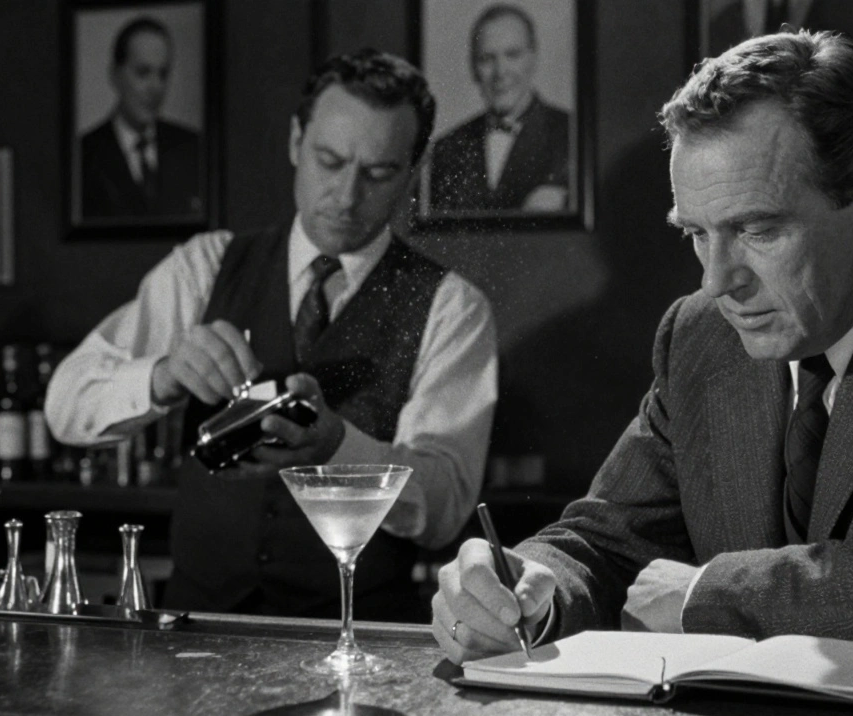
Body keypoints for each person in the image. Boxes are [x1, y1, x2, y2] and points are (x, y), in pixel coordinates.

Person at [433, 29, 853, 665]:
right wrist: (528, 587)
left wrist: (703, 595)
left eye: (756, 230)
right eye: (695, 232)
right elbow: (606, 541)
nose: (718, 281)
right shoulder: (700, 334)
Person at [48, 49, 498, 622]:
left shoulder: (452, 309)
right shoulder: (205, 266)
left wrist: (337, 448)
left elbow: (443, 509)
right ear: (294, 142)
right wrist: (161, 377)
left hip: (361, 637)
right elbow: (65, 405)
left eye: (379, 173)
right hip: (197, 634)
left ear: (413, 171)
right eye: (329, 160)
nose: (346, 194)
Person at [427, 3, 570, 213]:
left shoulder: (572, 136)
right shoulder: (445, 150)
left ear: (533, 58)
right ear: (473, 68)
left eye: (512, 55)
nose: (500, 72)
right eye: (487, 59)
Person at [80, 16, 204, 220]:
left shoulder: (192, 148)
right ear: (115, 75)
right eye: (143, 72)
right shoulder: (85, 155)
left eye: (163, 74)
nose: (156, 87)